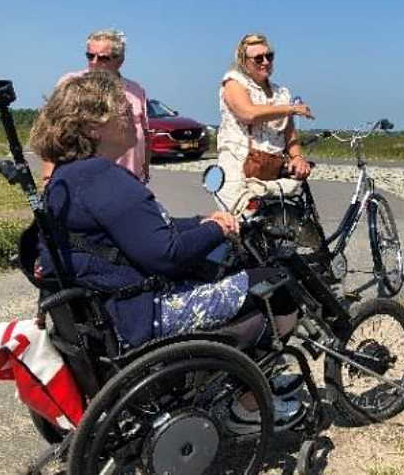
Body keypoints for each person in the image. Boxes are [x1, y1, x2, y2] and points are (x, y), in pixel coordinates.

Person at [30, 71, 304, 428]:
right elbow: (166, 254)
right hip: (141, 313)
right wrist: (218, 229)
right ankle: (248, 404)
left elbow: (140, 229)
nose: (136, 120)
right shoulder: (103, 179)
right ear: (94, 126)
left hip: (107, 310)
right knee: (274, 283)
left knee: (229, 273)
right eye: (124, 113)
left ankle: (250, 378)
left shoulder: (71, 177)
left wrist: (201, 222)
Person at [216, 32, 315, 211]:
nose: (266, 62)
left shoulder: (281, 93)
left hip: (271, 166)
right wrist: (290, 108)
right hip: (239, 164)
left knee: (281, 218)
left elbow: (289, 132)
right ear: (244, 61)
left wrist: (298, 157)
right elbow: (248, 113)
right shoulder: (233, 82)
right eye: (258, 58)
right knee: (241, 219)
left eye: (269, 56)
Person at [41, 30, 151, 184]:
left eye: (103, 58)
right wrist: (48, 177)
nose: (94, 62)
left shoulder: (136, 91)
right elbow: (51, 132)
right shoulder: (71, 84)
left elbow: (145, 134)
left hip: (131, 180)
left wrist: (145, 172)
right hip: (85, 182)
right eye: (90, 56)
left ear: (120, 60)